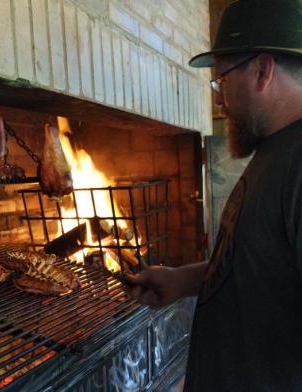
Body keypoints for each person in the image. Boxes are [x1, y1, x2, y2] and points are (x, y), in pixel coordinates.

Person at [124, 0, 302, 390]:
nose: (219, 100)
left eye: (221, 81)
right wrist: (183, 280)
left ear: (262, 70)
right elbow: (262, 266)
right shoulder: (275, 150)